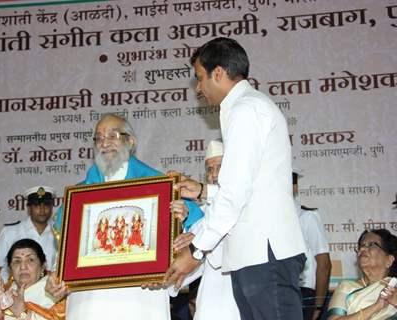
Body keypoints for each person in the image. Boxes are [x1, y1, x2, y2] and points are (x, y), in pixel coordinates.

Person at [165, 37, 307, 320]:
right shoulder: (247, 108)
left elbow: (235, 194)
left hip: (264, 254)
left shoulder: (245, 110)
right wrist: (205, 190)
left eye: (200, 78)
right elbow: (252, 187)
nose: (199, 88)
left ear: (218, 73)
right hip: (252, 255)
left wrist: (194, 252)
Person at [50, 114, 204, 320]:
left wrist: (181, 223)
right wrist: (57, 279)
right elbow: (63, 258)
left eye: (112, 135)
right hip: (88, 303)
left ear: (131, 142)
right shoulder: (78, 199)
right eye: (99, 138)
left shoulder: (162, 188)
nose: (104, 143)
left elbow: (200, 241)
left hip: (141, 301)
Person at [170, 139, 241, 320]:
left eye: (220, 166)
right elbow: (185, 267)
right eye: (209, 169)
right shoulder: (200, 216)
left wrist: (199, 241)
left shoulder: (248, 206)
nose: (215, 174)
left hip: (245, 300)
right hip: (211, 305)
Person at [0, 238, 65, 319]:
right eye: (17, 261)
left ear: (43, 266)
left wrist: (22, 313)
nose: (23, 266)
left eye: (30, 260)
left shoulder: (58, 293)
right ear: (10, 268)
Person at [0, 186, 57, 285]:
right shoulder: (10, 232)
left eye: (46, 205)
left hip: (49, 296)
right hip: (15, 294)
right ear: (29, 208)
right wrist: (2, 294)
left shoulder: (60, 232)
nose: (42, 210)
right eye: (36, 205)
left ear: (51, 207)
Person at [327, 229, 397, 319]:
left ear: (389, 260)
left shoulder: (395, 290)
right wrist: (376, 306)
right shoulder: (346, 287)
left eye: (371, 245)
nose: (362, 249)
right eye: (361, 246)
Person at [293, 170, 332, 320]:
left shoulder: (307, 217)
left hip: (303, 294)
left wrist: (318, 307)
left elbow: (324, 264)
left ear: (295, 187)